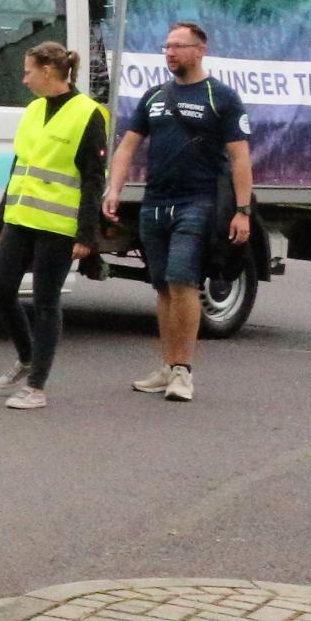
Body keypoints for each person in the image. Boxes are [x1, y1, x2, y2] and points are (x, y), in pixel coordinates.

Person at [101, 20, 251, 404]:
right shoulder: (154, 97)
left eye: (178, 46)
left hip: (197, 202)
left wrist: (242, 210)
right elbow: (126, 147)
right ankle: (167, 366)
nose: (170, 52)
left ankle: (183, 371)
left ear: (200, 50)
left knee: (184, 282)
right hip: (155, 202)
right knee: (163, 285)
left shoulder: (222, 97)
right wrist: (114, 189)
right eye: (166, 46)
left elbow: (239, 158)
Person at [0, 42, 108, 412]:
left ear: (47, 71)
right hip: (21, 218)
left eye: (27, 72)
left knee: (45, 302)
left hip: (58, 224)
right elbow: (20, 164)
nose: (23, 79)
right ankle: (27, 358)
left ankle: (37, 387)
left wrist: (86, 234)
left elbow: (92, 179)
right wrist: (1, 216)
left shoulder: (88, 114)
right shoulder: (33, 110)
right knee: (0, 290)